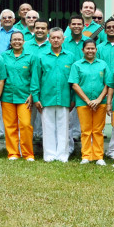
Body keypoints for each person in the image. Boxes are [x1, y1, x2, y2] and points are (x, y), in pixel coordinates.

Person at [32, 29, 74, 163]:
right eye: (53, 37)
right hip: (46, 97)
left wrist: (73, 98)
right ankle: (49, 154)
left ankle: (62, 155)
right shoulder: (41, 56)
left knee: (64, 128)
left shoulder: (70, 56)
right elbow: (36, 78)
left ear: (63, 39)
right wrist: (36, 98)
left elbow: (74, 80)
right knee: (48, 127)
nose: (56, 40)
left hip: (65, 97)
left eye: (58, 38)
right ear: (48, 39)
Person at [69, 39, 109, 165]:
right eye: (88, 48)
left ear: (96, 50)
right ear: (83, 50)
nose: (90, 51)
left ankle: (98, 156)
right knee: (85, 130)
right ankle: (86, 155)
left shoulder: (103, 64)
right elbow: (75, 84)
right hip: (82, 103)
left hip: (100, 102)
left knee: (98, 130)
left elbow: (108, 84)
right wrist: (87, 100)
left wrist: (98, 100)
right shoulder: (77, 65)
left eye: (93, 48)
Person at [1, 31, 35, 161]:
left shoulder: (30, 57)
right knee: (10, 126)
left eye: (19, 39)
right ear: (10, 42)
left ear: (23, 41)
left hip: (24, 96)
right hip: (7, 95)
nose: (17, 42)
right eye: (14, 39)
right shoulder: (3, 56)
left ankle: (28, 153)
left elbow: (34, 77)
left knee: (26, 125)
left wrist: (32, 94)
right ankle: (13, 153)